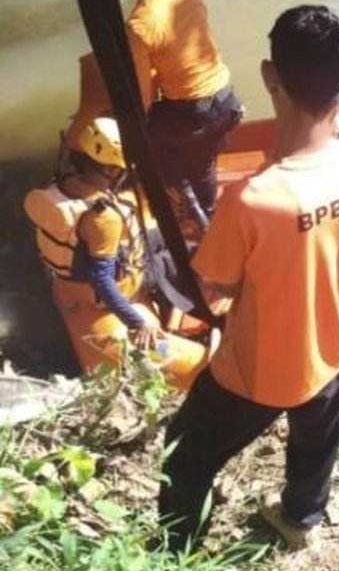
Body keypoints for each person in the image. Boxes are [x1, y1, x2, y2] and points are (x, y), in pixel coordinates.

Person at [158, 5, 339, 552]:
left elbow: (214, 289)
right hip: (336, 343)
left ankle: (177, 550)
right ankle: (301, 518)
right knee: (317, 440)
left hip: (259, 370)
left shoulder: (252, 200)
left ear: (268, 76)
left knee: (184, 454)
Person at [23, 118, 208, 389]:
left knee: (192, 254)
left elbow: (132, 244)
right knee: (202, 370)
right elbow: (102, 280)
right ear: (110, 169)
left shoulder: (61, 187)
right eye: (118, 171)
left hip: (105, 282)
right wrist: (137, 322)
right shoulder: (102, 219)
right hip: (107, 309)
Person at [112, 0, 243, 236]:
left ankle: (192, 209)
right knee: (203, 159)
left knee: (152, 140)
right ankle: (205, 201)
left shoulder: (139, 25)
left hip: (195, 113)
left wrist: (138, 125)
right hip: (226, 97)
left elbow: (143, 91)